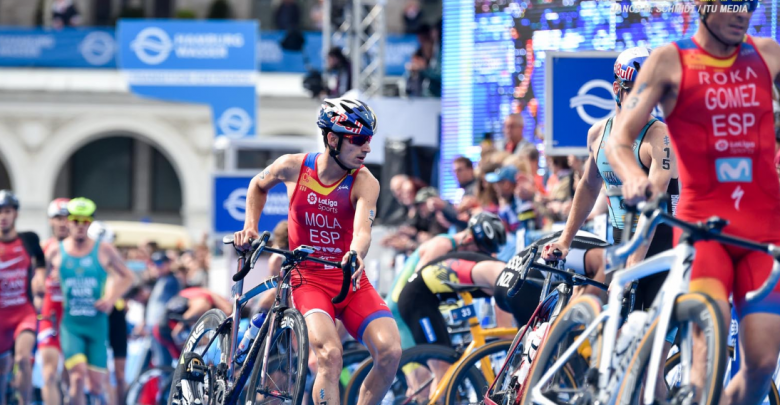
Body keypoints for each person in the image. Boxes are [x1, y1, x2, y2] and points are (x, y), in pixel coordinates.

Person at [605, 2, 780, 403]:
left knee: (762, 364)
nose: (743, 14)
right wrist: (633, 175)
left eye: (750, 4)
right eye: (732, 4)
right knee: (703, 358)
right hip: (704, 231)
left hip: (764, 233)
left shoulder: (768, 54)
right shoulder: (670, 61)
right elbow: (618, 138)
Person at [233, 98, 401, 405]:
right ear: (333, 138)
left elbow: (363, 231)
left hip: (349, 279)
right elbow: (257, 186)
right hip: (308, 279)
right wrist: (250, 226)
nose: (367, 149)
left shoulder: (366, 182)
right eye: (359, 140)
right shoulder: (292, 166)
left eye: (370, 141)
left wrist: (355, 253)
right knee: (330, 355)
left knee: (390, 353)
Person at [543, 47, 679, 297]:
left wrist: (633, 266)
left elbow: (654, 207)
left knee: (651, 335)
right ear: (617, 90)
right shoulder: (597, 133)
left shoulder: (660, 138)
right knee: (588, 312)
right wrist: (565, 240)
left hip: (661, 251)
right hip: (623, 245)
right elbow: (588, 186)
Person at [45, 198, 134, 405]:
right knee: (76, 377)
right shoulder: (55, 251)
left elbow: (128, 277)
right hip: (71, 325)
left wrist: (110, 299)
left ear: (90, 223)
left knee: (96, 386)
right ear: (68, 222)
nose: (80, 226)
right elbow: (40, 281)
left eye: (85, 221)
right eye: (75, 221)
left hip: (97, 325)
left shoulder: (103, 250)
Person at [387, 212, 507, 351]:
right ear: (469, 239)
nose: (480, 256)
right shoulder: (443, 245)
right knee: (421, 371)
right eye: (480, 251)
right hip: (398, 310)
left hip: (404, 306)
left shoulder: (451, 248)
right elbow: (417, 280)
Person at [0, 190, 45, 405]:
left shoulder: (29, 239)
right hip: (1, 316)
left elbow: (41, 260)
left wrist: (40, 278)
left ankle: (25, 401)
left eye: (7, 211)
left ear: (15, 214)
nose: (3, 217)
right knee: (2, 368)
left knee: (23, 358)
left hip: (23, 313)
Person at [88, 221, 127, 405]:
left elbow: (122, 279)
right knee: (101, 370)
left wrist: (112, 299)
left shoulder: (114, 262)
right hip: (96, 316)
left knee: (120, 372)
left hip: (116, 316)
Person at [38, 198, 71, 405]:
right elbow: (33, 285)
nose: (63, 223)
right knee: (49, 375)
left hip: (73, 318)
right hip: (49, 315)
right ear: (51, 221)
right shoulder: (43, 248)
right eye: (58, 218)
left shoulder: (82, 248)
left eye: (67, 218)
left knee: (71, 377)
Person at [145, 251, 181, 367]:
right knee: (158, 363)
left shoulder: (171, 281)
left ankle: (167, 385)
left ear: (167, 264)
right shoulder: (161, 280)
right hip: (154, 328)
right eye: (155, 264)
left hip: (160, 327)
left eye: (160, 264)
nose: (156, 267)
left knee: (163, 363)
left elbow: (170, 306)